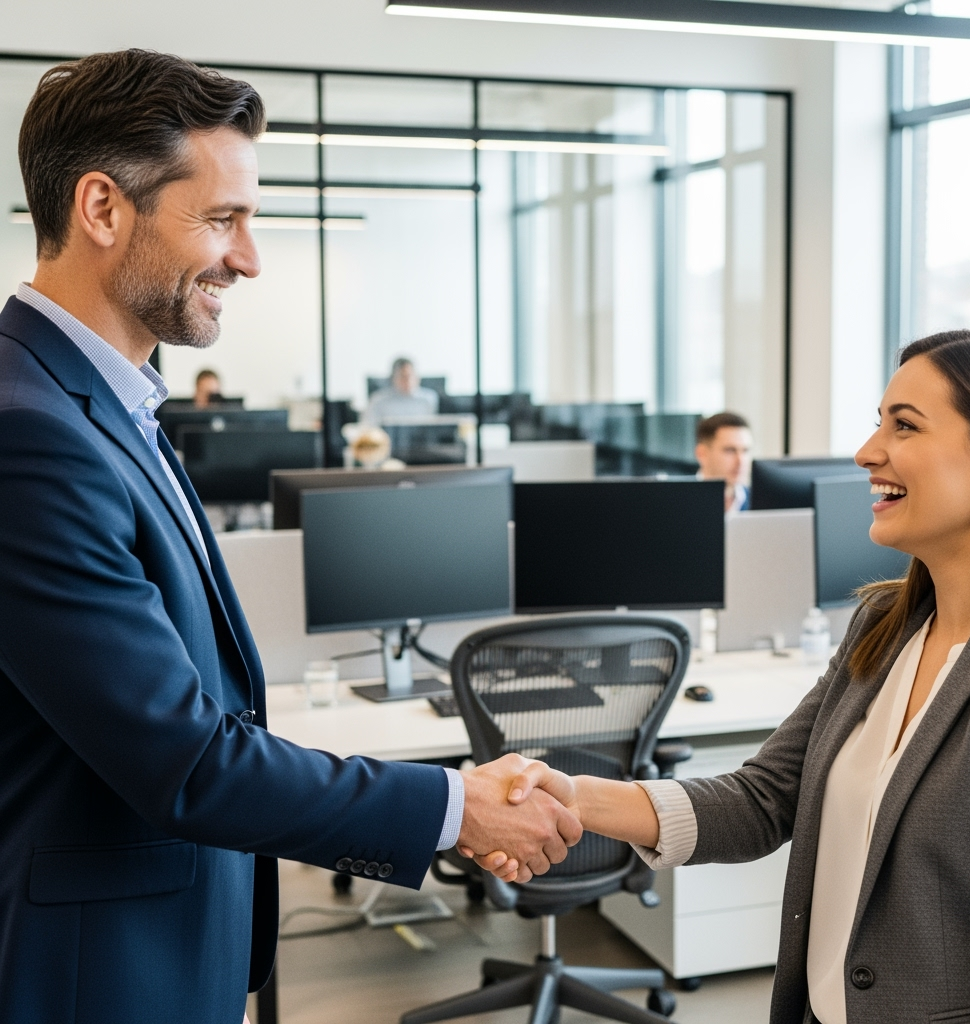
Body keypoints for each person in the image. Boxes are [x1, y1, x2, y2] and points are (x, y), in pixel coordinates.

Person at [0, 50, 579, 1024]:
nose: (249, 257)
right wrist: (453, 805)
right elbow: (182, 759)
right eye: (221, 218)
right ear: (102, 208)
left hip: (164, 943)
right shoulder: (28, 434)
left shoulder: (100, 403)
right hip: (96, 973)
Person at [472, 329, 970, 1023]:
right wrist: (570, 795)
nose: (866, 452)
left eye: (904, 425)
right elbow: (764, 800)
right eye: (877, 422)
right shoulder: (886, 626)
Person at [694, 411, 753, 511]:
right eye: (730, 450)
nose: (741, 461)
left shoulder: (758, 503)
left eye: (745, 450)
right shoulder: (678, 502)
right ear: (702, 454)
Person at [363, 356, 440, 424]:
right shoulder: (378, 400)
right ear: (393, 378)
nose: (408, 381)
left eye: (410, 376)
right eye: (403, 376)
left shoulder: (430, 398)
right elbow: (367, 428)